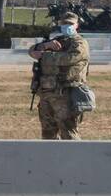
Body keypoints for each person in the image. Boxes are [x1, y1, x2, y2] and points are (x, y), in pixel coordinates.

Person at [28, 12, 91, 140]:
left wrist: (43, 55)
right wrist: (45, 46)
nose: (67, 26)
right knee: (47, 134)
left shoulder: (79, 43)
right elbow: (31, 51)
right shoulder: (57, 40)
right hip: (46, 94)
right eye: (64, 23)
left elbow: (69, 58)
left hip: (66, 94)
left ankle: (73, 159)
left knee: (68, 133)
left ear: (77, 25)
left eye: (70, 24)